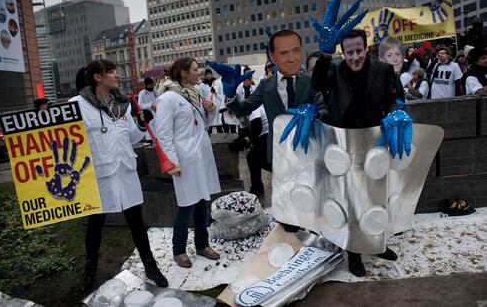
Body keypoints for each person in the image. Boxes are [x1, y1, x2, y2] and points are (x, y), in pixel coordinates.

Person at [311, 29, 403, 277]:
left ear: (366, 48)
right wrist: (326, 55)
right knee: (351, 199)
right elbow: (316, 84)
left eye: (359, 51)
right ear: (343, 51)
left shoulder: (383, 70)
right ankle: (354, 252)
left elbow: (395, 98)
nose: (354, 57)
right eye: (349, 52)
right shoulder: (335, 69)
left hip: (375, 141)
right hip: (344, 143)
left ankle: (377, 244)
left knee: (375, 197)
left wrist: (395, 113)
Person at [72, 59, 168, 290]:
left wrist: (143, 125)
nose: (117, 76)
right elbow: (67, 140)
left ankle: (150, 266)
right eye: (112, 72)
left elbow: (131, 138)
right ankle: (90, 271)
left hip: (125, 172)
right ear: (98, 77)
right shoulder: (77, 105)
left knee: (136, 222)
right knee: (95, 225)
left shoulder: (121, 105)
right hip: (100, 175)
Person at [218, 29, 328, 165]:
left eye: (295, 51)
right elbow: (243, 110)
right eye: (283, 53)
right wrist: (230, 96)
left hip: (308, 148)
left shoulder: (309, 81)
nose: (291, 58)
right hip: (279, 152)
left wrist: (315, 114)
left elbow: (325, 112)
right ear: (272, 56)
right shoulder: (265, 85)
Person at [154, 57, 221, 268]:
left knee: (202, 201)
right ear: (183, 73)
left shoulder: (196, 94)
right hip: (184, 159)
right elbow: (163, 133)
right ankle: (178, 250)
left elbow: (204, 124)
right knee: (186, 205)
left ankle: (202, 244)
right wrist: (172, 162)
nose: (198, 73)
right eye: (194, 70)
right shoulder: (168, 99)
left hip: (200, 154)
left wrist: (211, 110)